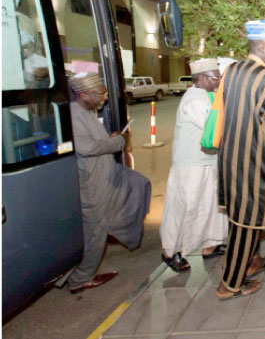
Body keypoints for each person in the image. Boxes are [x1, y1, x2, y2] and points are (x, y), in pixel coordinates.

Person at [214, 19, 265, 300]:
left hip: (230, 160)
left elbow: (245, 111)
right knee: (247, 226)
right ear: (262, 45)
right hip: (252, 164)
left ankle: (237, 271)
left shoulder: (233, 69)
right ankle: (231, 285)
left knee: (238, 222)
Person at [64, 72, 151, 294]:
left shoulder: (85, 112)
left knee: (137, 187)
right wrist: (117, 142)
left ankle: (78, 274)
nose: (104, 99)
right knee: (95, 233)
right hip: (93, 186)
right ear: (83, 94)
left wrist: (109, 138)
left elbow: (94, 142)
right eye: (100, 94)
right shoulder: (75, 114)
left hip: (103, 180)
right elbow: (86, 148)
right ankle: (80, 279)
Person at [160, 58, 229, 272]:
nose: (219, 80)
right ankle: (169, 252)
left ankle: (210, 245)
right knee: (184, 208)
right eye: (215, 76)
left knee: (211, 207)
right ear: (201, 78)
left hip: (207, 162)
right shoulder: (194, 100)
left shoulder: (207, 96)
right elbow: (216, 127)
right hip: (191, 166)